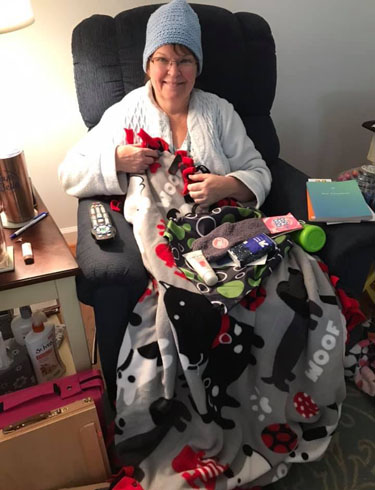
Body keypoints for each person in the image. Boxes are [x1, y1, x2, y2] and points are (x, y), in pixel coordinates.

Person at [59, 0, 271, 400]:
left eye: (185, 60)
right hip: (166, 241)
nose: (173, 72)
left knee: (282, 285)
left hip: (221, 232)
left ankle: (254, 391)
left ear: (199, 65)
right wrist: (117, 160)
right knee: (183, 310)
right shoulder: (126, 114)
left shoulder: (219, 112)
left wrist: (226, 184)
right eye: (163, 59)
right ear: (147, 64)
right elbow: (69, 173)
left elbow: (259, 172)